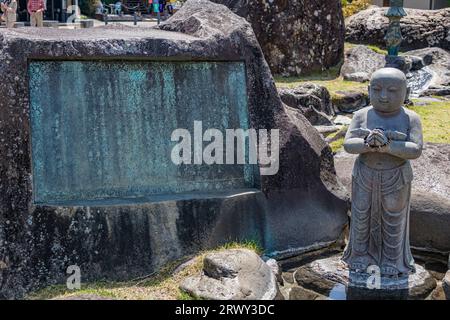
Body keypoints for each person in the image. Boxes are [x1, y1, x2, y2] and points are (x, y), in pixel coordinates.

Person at [342, 67, 423, 277]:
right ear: (369, 90)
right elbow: (349, 144)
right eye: (376, 90)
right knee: (361, 217)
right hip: (364, 174)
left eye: (392, 90)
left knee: (393, 219)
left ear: (406, 91)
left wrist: (387, 146)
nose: (384, 96)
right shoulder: (361, 115)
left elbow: (415, 149)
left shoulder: (410, 118)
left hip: (395, 176)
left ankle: (392, 259)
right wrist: (368, 144)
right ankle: (359, 255)